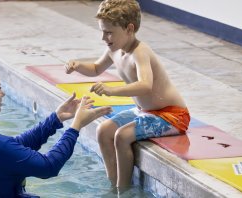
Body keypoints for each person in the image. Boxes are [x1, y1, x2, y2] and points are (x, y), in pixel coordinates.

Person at [65, 0, 190, 194]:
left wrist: (111, 91)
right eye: (102, 31)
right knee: (103, 130)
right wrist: (78, 65)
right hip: (146, 112)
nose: (103, 37)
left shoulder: (140, 52)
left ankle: (123, 190)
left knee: (122, 136)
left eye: (108, 32)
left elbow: (145, 85)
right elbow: (96, 68)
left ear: (129, 29)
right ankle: (113, 182)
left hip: (170, 116)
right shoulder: (113, 49)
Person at [0, 62, 112, 198]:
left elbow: (14, 146)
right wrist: (76, 126)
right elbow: (49, 167)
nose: (2, 93)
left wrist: (56, 119)